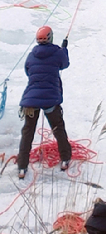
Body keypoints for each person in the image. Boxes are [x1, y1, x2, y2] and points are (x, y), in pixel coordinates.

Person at [17, 26, 71, 179]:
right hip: (50, 98)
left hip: (30, 99)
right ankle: (65, 159)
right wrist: (64, 49)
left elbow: (28, 71)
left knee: (27, 132)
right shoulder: (57, 53)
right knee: (58, 128)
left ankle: (22, 167)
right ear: (51, 37)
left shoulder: (31, 55)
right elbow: (64, 64)